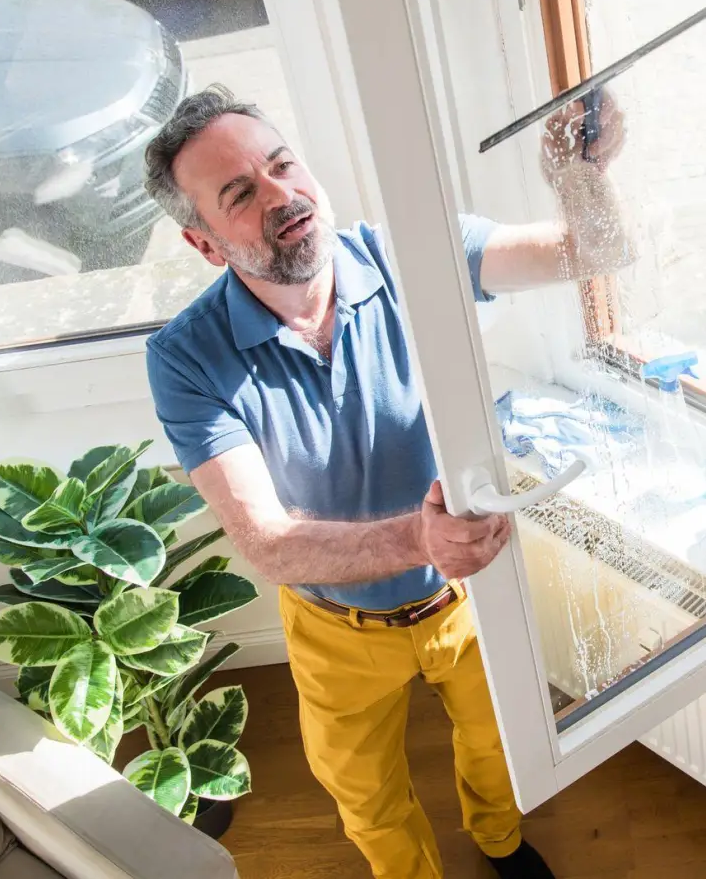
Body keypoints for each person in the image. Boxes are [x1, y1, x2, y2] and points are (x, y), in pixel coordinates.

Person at [141, 83, 629, 879]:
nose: (282, 195)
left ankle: (501, 846)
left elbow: (595, 251)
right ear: (205, 244)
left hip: (463, 599)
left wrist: (582, 175)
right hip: (336, 631)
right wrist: (417, 535)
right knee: (365, 796)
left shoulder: (407, 254)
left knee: (500, 744)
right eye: (239, 192)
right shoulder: (187, 358)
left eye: (282, 164)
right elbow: (266, 544)